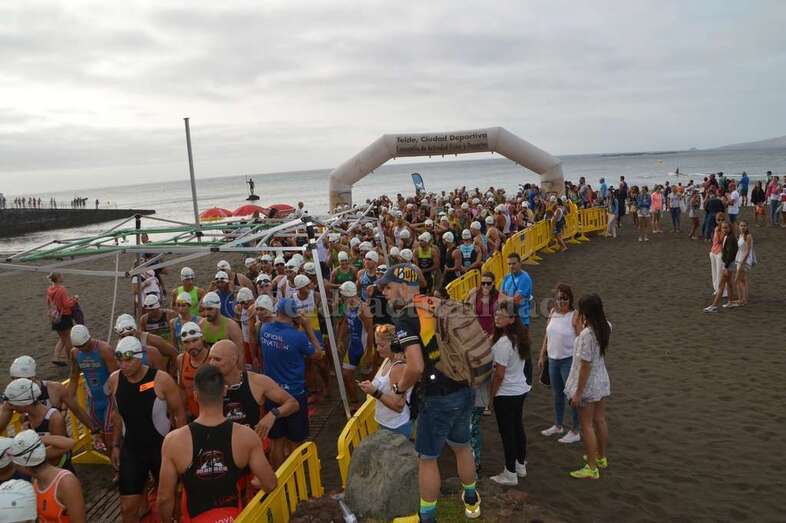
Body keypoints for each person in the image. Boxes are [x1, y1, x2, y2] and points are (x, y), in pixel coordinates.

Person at [378, 264, 480, 521]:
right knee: (462, 447)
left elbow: (415, 366)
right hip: (464, 387)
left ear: (403, 287)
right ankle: (471, 501)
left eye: (388, 287)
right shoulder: (440, 304)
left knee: (427, 458)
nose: (385, 293)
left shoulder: (406, 316)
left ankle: (427, 516)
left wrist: (399, 388)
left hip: (437, 396)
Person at [157, 365, 277, 522]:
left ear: (195, 395)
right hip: (234, 517)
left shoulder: (174, 441)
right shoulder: (246, 436)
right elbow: (270, 483)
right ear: (225, 391)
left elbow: (164, 498)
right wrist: (257, 482)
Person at [107, 336, 186, 522]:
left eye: (128, 360)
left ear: (140, 356)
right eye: (120, 360)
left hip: (162, 451)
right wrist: (116, 445)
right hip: (132, 451)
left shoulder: (161, 380)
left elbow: (179, 415)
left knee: (169, 503)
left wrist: (182, 448)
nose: (123, 365)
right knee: (127, 508)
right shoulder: (114, 380)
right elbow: (117, 416)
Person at [258, 300, 323, 468]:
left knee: (276, 443)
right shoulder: (297, 337)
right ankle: (296, 477)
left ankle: (280, 479)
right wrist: (308, 328)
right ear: (294, 316)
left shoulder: (265, 330)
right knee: (296, 443)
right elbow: (318, 354)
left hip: (272, 392)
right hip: (294, 394)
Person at [565, 294, 611, 479]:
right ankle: (600, 457)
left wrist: (578, 393)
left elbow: (585, 366)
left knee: (587, 425)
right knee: (600, 419)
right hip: (601, 378)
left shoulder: (587, 335)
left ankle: (591, 467)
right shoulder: (606, 326)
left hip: (589, 383)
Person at [488, 301, 531, 486]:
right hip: (520, 389)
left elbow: (499, 375)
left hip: (506, 392)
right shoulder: (519, 337)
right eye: (496, 313)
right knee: (517, 427)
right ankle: (520, 465)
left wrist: (491, 396)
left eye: (502, 315)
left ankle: (510, 473)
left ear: (512, 319)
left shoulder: (504, 343)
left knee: (508, 433)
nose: (497, 317)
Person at [10, 430, 86, 522]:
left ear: (22, 465)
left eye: (14, 464)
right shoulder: (35, 480)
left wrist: (34, 440)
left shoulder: (66, 482)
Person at [538, 284, 581, 444]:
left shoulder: (575, 315)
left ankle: (575, 430)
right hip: (553, 359)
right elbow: (547, 335)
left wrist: (579, 361)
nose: (561, 301)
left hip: (568, 360)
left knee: (571, 396)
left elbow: (580, 339)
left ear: (570, 299)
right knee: (557, 394)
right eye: (558, 298)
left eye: (564, 298)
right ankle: (558, 425)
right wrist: (542, 354)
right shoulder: (552, 313)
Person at [357, 324, 413, 438]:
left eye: (381, 345)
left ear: (394, 345)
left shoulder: (398, 368)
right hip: (387, 423)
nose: (377, 349)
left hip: (396, 427)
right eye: (376, 344)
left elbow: (398, 406)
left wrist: (374, 392)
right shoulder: (387, 360)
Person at [3, 380, 72, 470]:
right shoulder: (24, 417)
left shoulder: (54, 418)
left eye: (12, 404)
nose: (10, 407)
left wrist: (28, 456)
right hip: (39, 467)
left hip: (59, 468)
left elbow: (60, 449)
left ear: (24, 404)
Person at [68, 325, 117, 451]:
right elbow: (73, 376)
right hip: (94, 400)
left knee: (110, 434)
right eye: (79, 347)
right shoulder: (75, 353)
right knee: (99, 435)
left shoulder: (104, 349)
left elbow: (117, 377)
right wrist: (68, 398)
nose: (83, 349)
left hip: (110, 398)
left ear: (89, 339)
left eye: (84, 345)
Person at [336, 281, 374, 408]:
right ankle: (354, 402)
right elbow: (345, 323)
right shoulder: (347, 305)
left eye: (342, 294)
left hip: (365, 348)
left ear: (347, 295)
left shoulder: (364, 309)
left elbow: (370, 332)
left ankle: (370, 405)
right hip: (353, 347)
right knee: (346, 375)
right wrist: (340, 339)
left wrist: (369, 353)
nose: (340, 296)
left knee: (367, 380)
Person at [176, 322, 209, 421]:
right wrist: (183, 412)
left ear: (202, 338)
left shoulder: (214, 357)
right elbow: (182, 389)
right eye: (186, 342)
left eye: (195, 340)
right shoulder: (181, 359)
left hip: (214, 415)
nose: (191, 346)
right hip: (193, 416)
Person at [704, 221, 738, 313]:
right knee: (729, 283)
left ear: (730, 228)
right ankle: (730, 302)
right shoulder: (728, 236)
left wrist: (726, 266)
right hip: (729, 263)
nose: (724, 229)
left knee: (721, 285)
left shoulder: (731, 238)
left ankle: (714, 305)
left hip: (728, 264)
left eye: (726, 228)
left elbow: (731, 254)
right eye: (723, 228)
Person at [199, 292, 243, 360]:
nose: (206, 313)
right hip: (209, 364)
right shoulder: (201, 325)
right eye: (204, 309)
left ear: (218, 308)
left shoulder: (232, 327)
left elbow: (240, 354)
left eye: (210, 309)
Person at [47, 272, 78, 366]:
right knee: (68, 339)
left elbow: (49, 302)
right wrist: (74, 300)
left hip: (55, 316)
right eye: (61, 276)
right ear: (58, 278)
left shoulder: (49, 289)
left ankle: (56, 357)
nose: (63, 277)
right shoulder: (62, 289)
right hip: (64, 316)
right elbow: (66, 304)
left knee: (62, 338)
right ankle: (71, 358)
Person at [500, 253, 533, 331]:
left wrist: (505, 298)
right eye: (509, 264)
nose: (511, 266)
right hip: (508, 319)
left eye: (514, 263)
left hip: (521, 320)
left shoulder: (525, 278)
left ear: (520, 263)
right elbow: (499, 297)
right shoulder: (507, 277)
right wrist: (507, 298)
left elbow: (516, 301)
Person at [733, 221, 755, 306]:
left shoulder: (748, 236)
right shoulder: (740, 235)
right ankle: (744, 299)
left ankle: (741, 299)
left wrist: (742, 262)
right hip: (740, 259)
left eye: (744, 226)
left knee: (737, 280)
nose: (742, 227)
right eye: (741, 226)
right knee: (743, 280)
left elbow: (747, 251)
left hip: (744, 260)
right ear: (738, 227)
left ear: (747, 226)